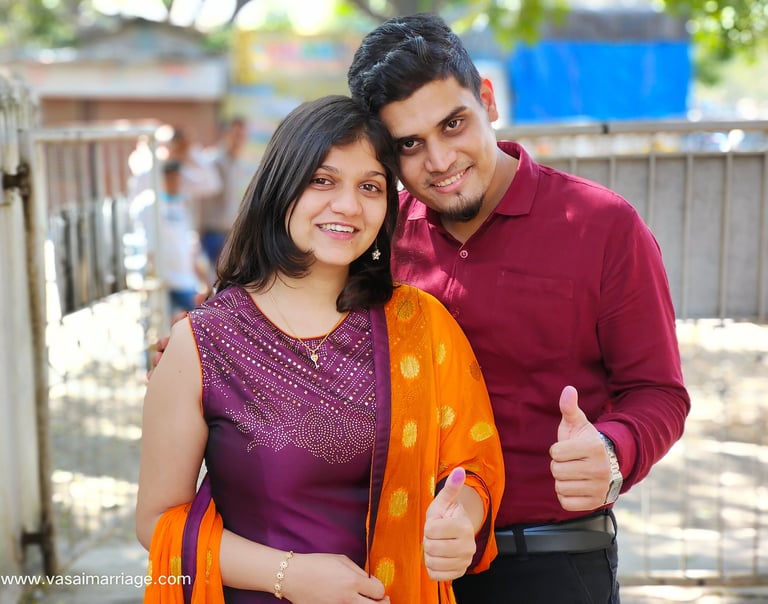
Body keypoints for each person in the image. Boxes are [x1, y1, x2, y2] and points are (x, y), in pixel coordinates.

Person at [346, 13, 691, 604]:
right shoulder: (378, 239)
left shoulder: (603, 226)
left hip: (551, 560)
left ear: (488, 100)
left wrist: (613, 452)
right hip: (402, 563)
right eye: (410, 144)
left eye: (453, 124)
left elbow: (659, 392)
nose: (440, 160)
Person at [136, 95, 505, 603]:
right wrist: (288, 575)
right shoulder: (204, 341)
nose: (348, 206)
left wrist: (460, 524)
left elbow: (472, 466)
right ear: (281, 186)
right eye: (323, 180)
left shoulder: (419, 324)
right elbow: (157, 521)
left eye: (370, 187)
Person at [134, 159, 209, 314]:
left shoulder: (184, 204)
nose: (175, 183)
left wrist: (202, 276)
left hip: (185, 279)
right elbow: (145, 240)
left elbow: (190, 242)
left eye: (177, 178)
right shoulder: (150, 205)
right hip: (162, 279)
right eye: (171, 178)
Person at [197, 116, 255, 268]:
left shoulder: (238, 163)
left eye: (242, 135)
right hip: (213, 232)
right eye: (235, 134)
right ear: (226, 134)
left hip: (231, 232)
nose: (238, 140)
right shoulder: (213, 161)